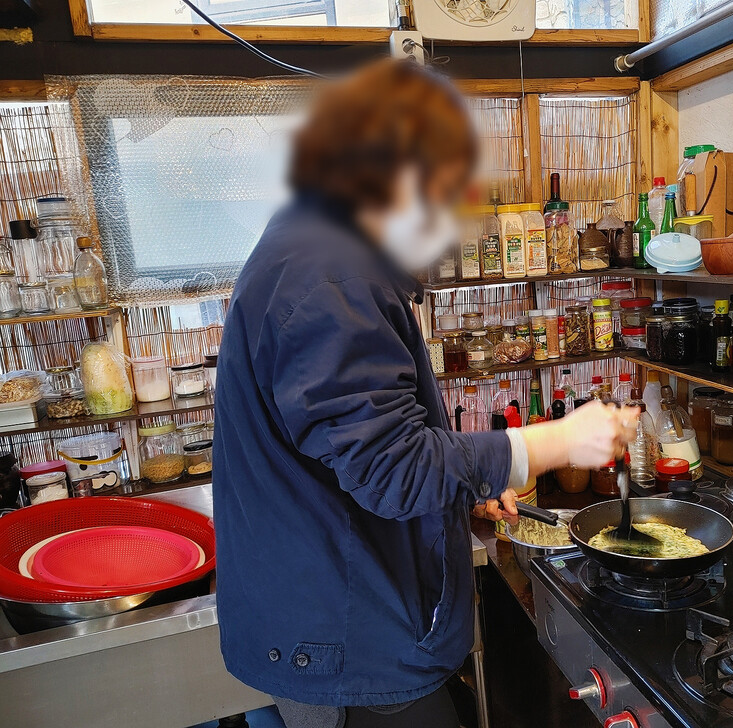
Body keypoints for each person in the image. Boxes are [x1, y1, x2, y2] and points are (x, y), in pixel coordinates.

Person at [212, 59, 638, 728]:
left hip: (345, 619)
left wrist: (465, 481)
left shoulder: (318, 249)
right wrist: (555, 441)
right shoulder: (325, 279)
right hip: (349, 643)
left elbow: (365, 442)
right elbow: (391, 467)